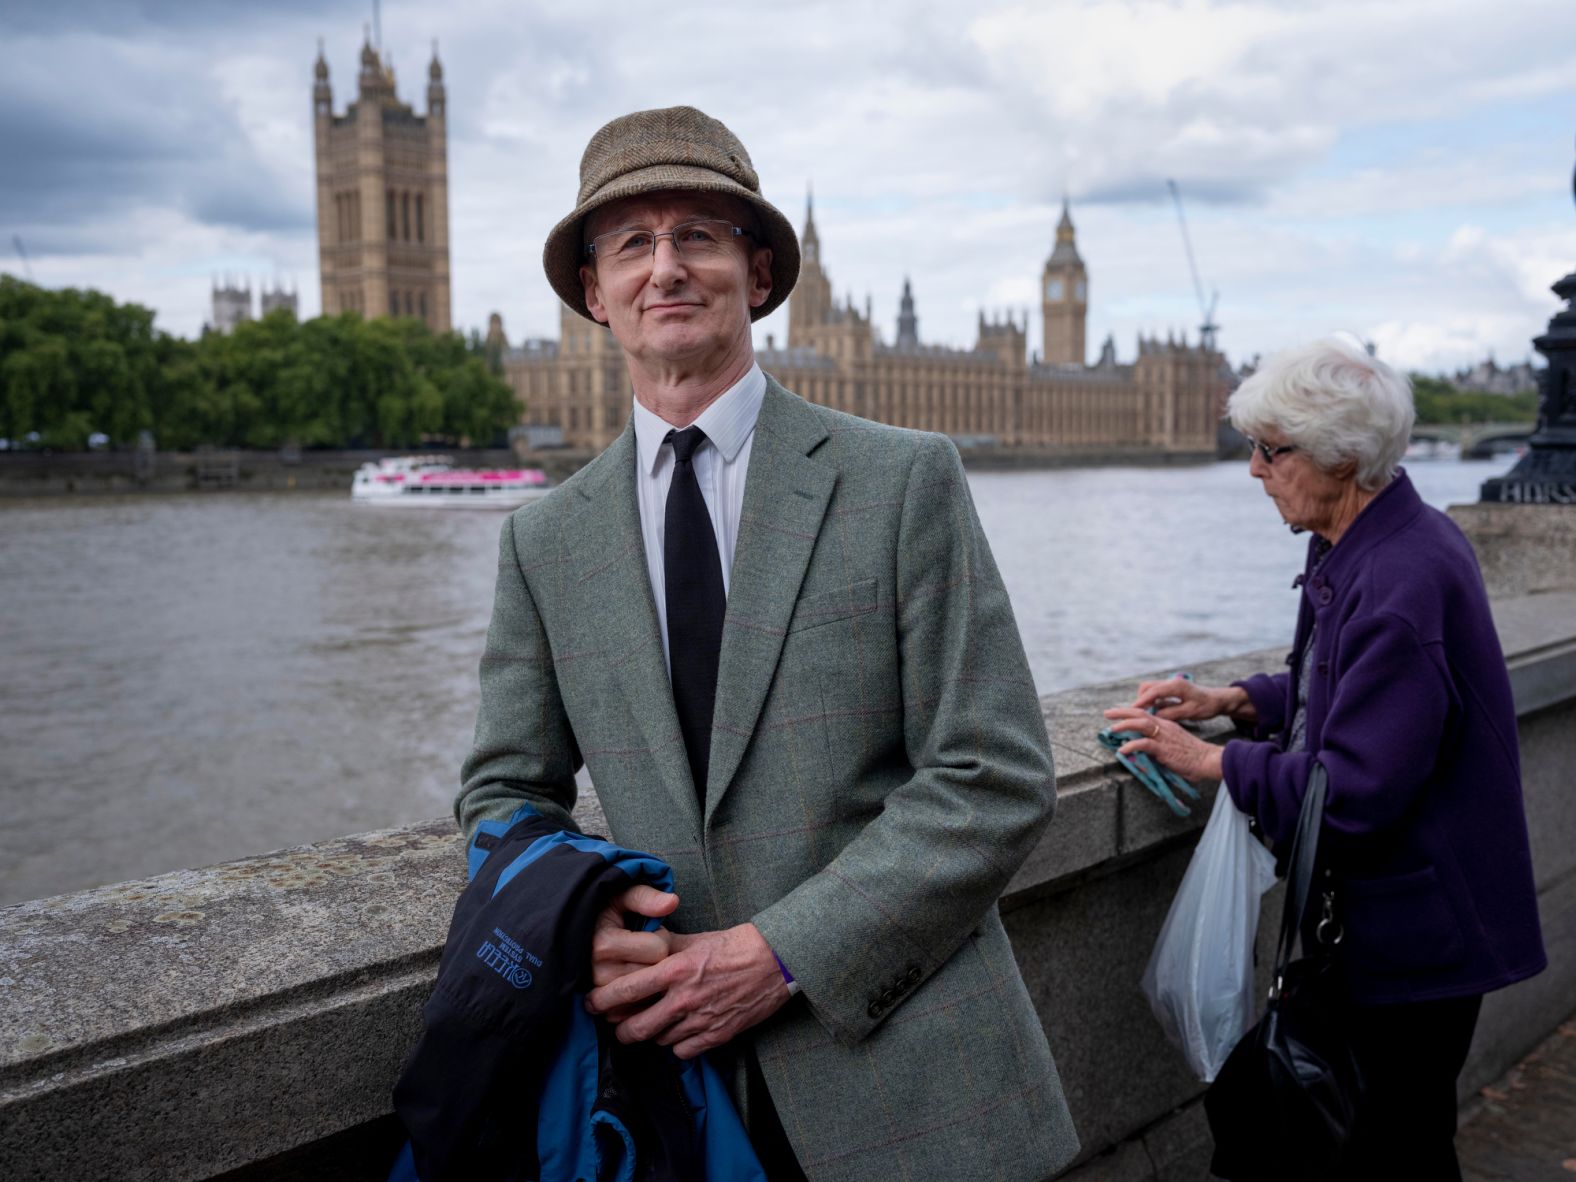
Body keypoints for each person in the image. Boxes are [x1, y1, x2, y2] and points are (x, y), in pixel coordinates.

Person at [456, 106, 1079, 1182]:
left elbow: (996, 772)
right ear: (593, 296)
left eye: (697, 234)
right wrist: (574, 912)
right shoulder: (542, 541)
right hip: (676, 1100)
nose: (666, 267)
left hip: (916, 1086)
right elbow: (506, 790)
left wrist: (781, 952)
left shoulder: (901, 480)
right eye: (631, 244)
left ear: (758, 273)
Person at [1104, 336, 1545, 1180]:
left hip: (1419, 936)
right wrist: (1239, 702)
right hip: (1403, 924)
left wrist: (1215, 763)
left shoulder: (1403, 577)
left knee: (1394, 1148)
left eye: (1272, 450)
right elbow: (1351, 685)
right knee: (1389, 1142)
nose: (1255, 471)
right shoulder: (1376, 541)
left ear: (1342, 458)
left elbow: (1353, 791)